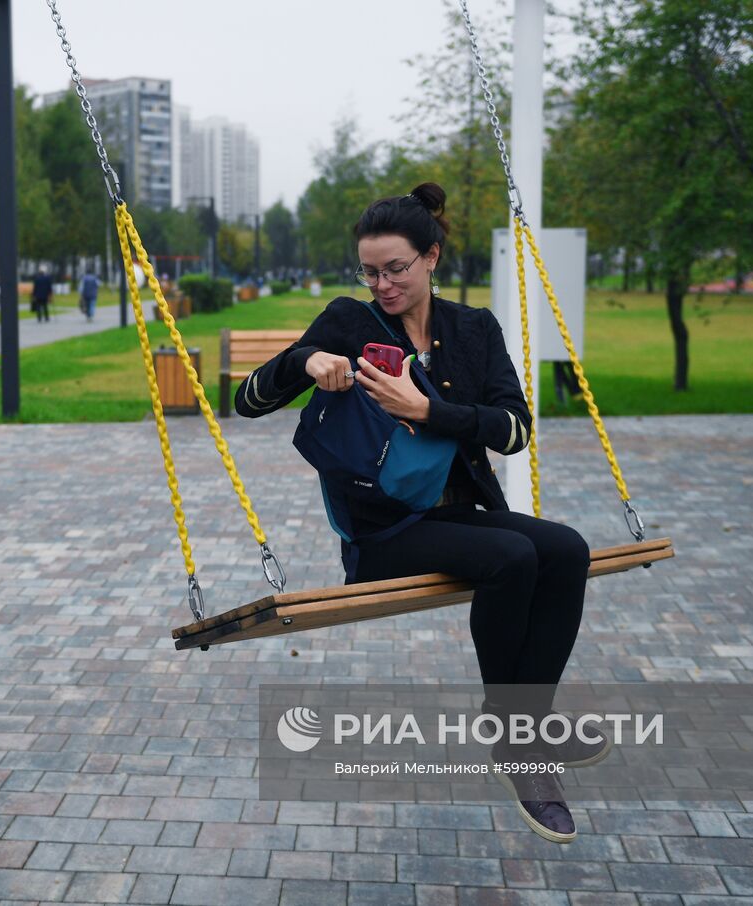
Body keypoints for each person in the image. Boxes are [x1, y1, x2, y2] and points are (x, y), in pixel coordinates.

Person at [234, 182, 600, 844]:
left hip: (463, 517)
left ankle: (528, 721)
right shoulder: (350, 319)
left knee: (567, 549)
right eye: (371, 271)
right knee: (514, 557)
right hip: (384, 535)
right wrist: (306, 359)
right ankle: (518, 743)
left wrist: (427, 410)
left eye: (395, 268)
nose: (382, 283)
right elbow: (247, 401)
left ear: (431, 257)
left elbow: (514, 430)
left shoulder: (473, 329)